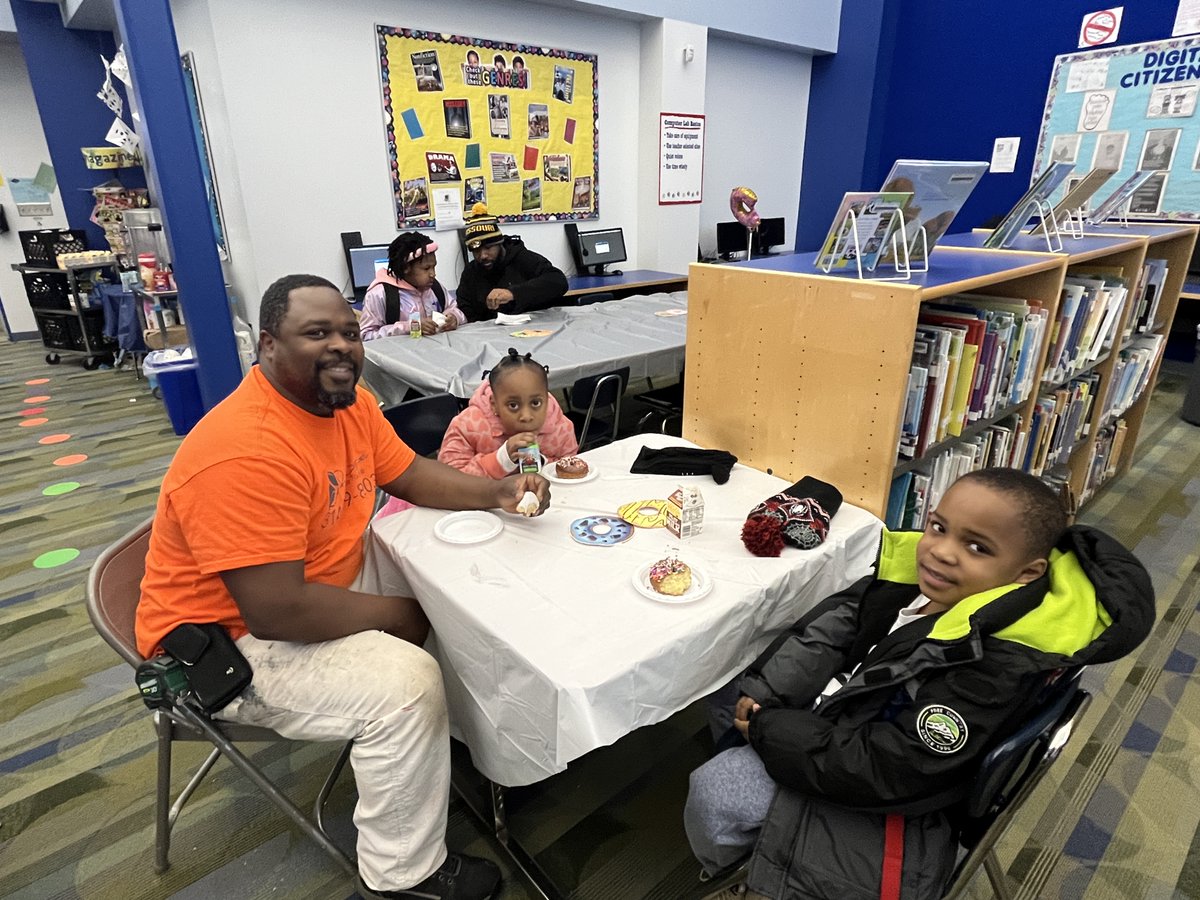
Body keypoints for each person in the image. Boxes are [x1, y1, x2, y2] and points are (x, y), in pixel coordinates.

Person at [136, 274, 551, 900]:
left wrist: (496, 492)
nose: (341, 347)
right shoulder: (245, 448)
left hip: (307, 583)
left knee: (462, 583)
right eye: (316, 333)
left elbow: (409, 473)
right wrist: (400, 617)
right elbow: (276, 610)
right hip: (226, 643)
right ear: (268, 345)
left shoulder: (348, 404)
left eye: (349, 332)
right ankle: (401, 879)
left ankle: (466, 743)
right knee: (406, 685)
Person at [684, 468, 1154, 900]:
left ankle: (736, 874)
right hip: (846, 715)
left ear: (1027, 573)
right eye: (939, 526)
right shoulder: (932, 583)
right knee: (729, 688)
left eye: (977, 547)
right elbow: (848, 618)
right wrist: (768, 692)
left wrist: (769, 729)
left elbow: (892, 767)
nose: (942, 551)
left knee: (717, 792)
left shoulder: (989, 668)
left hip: (887, 788)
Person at [438, 348, 578, 477]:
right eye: (513, 405)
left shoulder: (560, 427)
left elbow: (570, 468)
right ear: (494, 404)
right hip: (483, 502)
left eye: (536, 403)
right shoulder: (467, 426)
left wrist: (541, 463)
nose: (526, 416)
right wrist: (502, 458)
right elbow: (450, 480)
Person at [455, 203, 569, 322]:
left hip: (533, 328)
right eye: (476, 251)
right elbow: (464, 307)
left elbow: (558, 281)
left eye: (488, 248)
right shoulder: (471, 272)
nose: (483, 256)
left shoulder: (521, 258)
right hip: (491, 334)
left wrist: (513, 293)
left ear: (499, 244)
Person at [360, 232, 464, 340]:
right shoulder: (380, 295)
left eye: (434, 267)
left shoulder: (434, 287)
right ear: (405, 268)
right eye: (426, 268)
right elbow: (366, 336)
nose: (433, 274)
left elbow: (454, 308)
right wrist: (409, 327)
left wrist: (454, 318)